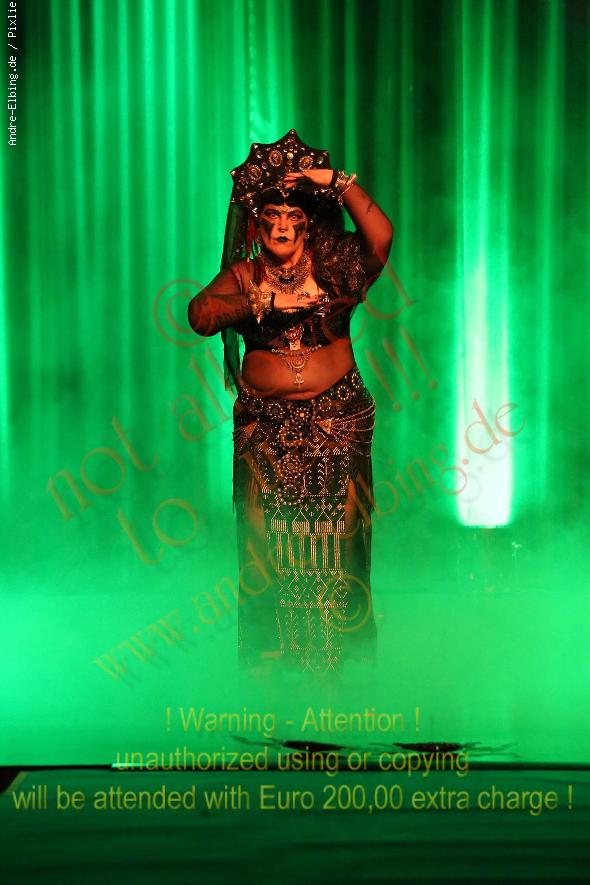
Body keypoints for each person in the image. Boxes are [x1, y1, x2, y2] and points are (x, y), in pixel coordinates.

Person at [188, 130, 393, 675]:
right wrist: (255, 304)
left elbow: (380, 240)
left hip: (338, 421)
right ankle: (268, 666)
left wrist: (338, 182)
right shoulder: (245, 275)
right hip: (265, 429)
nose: (282, 225)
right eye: (272, 216)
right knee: (263, 543)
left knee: (343, 539)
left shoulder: (335, 265)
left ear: (307, 224)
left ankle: (347, 668)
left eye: (293, 216)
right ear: (257, 225)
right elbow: (199, 315)